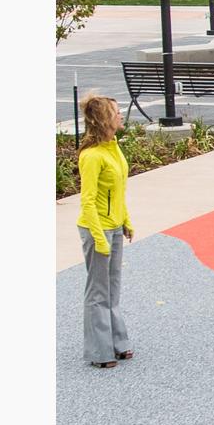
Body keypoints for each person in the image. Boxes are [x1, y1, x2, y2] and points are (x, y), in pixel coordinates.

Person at [75, 94, 136, 369]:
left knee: (113, 287)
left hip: (113, 226)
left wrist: (126, 220)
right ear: (103, 119)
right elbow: (87, 201)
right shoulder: (91, 156)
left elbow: (119, 190)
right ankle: (99, 351)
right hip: (96, 229)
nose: (120, 115)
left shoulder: (114, 148)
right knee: (98, 292)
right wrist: (99, 238)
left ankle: (117, 342)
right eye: (115, 112)